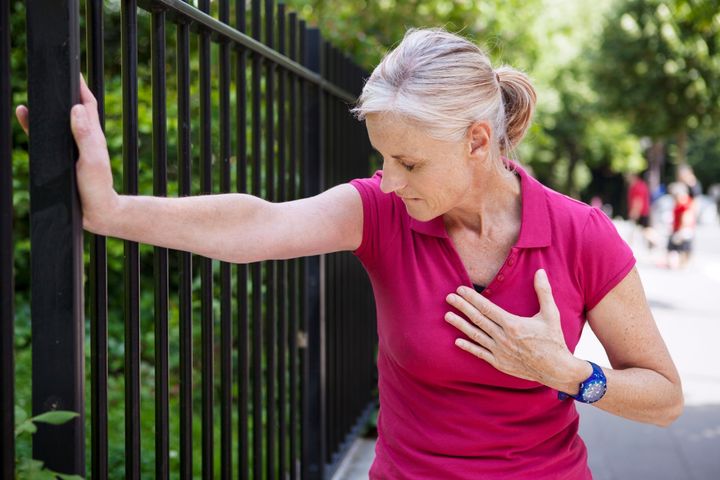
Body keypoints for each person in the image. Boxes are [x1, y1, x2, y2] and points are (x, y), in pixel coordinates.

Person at [16, 27, 682, 480]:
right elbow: (256, 226)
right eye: (382, 159)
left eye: (409, 162)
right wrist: (112, 209)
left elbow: (663, 397)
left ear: (479, 141)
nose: (389, 180)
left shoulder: (579, 233)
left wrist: (566, 373)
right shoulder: (384, 213)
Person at [666, 182, 695, 269]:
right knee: (679, 247)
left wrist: (680, 230)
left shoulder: (684, 205)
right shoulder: (682, 203)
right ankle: (680, 264)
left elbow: (686, 219)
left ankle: (682, 264)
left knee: (681, 247)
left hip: (682, 229)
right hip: (680, 228)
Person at [626, 171, 658, 249]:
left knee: (645, 230)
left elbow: (638, 201)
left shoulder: (638, 186)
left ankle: (655, 241)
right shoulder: (639, 185)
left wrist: (635, 212)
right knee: (643, 230)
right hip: (643, 212)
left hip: (641, 212)